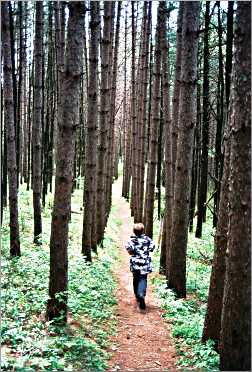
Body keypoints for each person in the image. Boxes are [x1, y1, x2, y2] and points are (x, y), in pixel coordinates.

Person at [125, 223, 155, 310]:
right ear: (142, 231)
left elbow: (129, 250)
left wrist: (134, 252)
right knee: (143, 278)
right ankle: (141, 294)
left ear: (134, 231)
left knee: (135, 278)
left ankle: (137, 296)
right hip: (145, 263)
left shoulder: (131, 240)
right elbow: (152, 247)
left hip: (135, 263)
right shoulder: (148, 239)